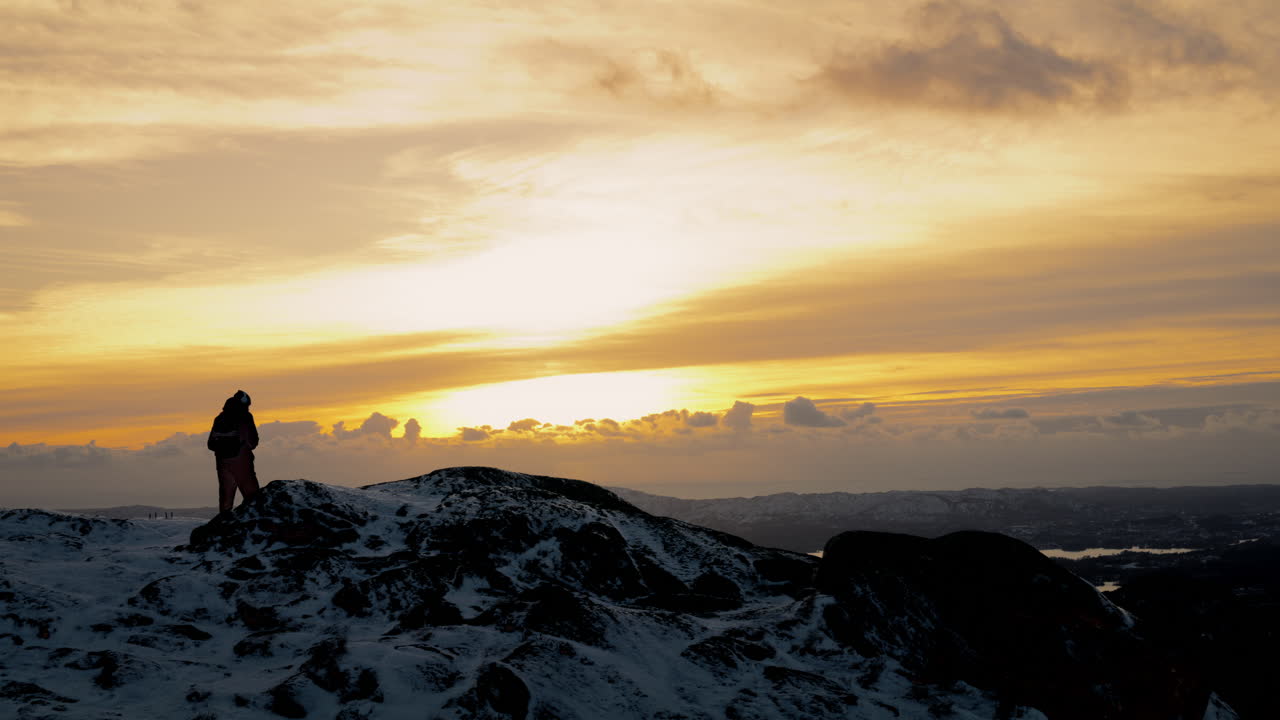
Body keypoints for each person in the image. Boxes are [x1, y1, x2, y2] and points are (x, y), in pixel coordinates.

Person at [206, 389, 260, 513]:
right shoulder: (245, 417)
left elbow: (210, 444)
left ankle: (223, 527)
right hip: (242, 461)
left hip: (222, 462)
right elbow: (253, 441)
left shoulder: (219, 418)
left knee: (226, 500)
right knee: (253, 498)